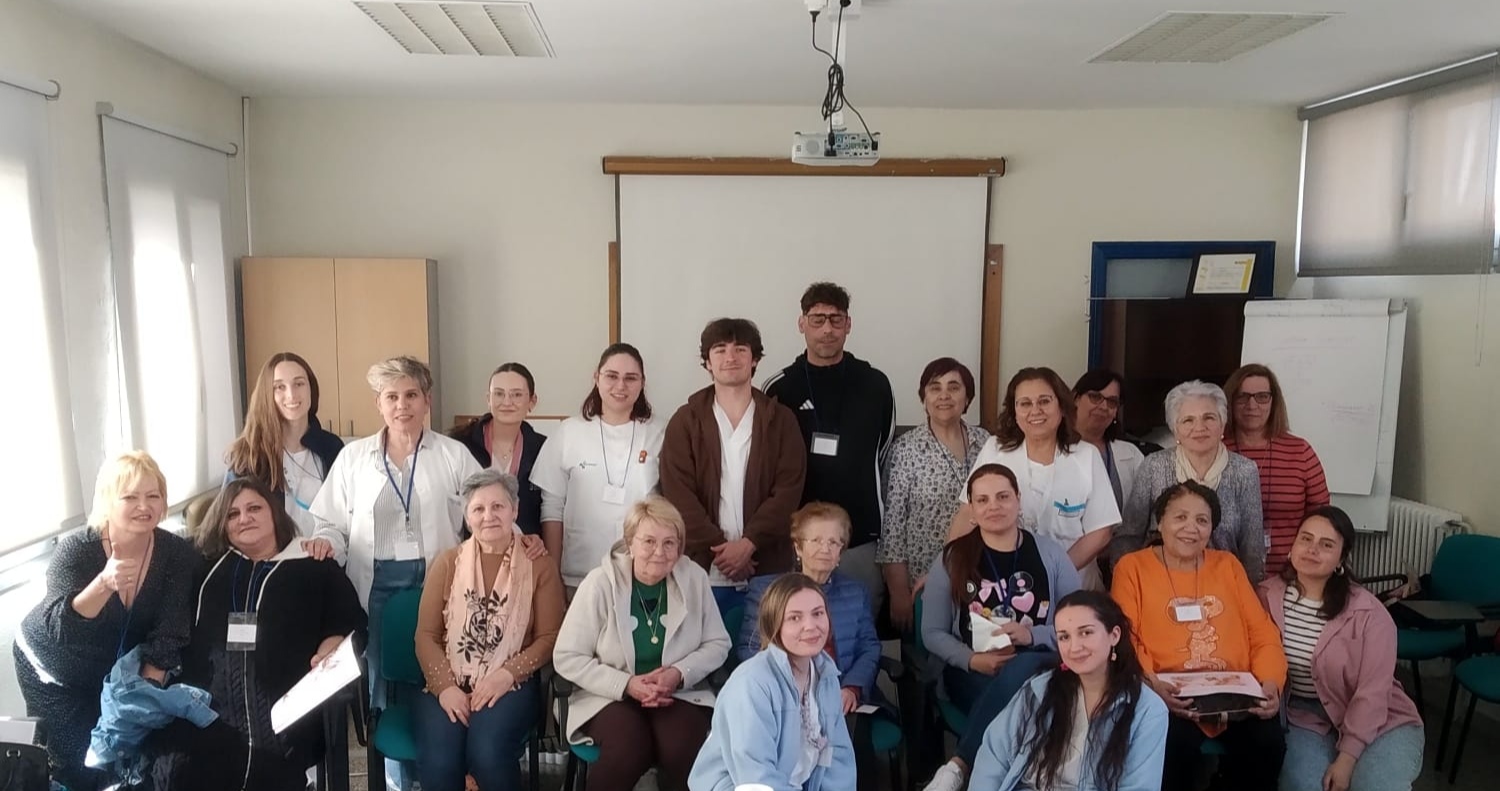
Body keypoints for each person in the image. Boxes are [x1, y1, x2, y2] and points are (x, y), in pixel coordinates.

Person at [304, 356, 483, 789]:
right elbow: (330, 522)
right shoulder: (353, 458)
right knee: (384, 683)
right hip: (378, 585)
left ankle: (440, 770)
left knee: (438, 675)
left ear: (427, 401)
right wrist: (328, 541)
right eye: (391, 397)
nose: (401, 405)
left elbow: (485, 511)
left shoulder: (453, 454)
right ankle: (400, 779)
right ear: (379, 404)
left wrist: (519, 538)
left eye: (410, 395)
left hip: (439, 580)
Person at [149, 477, 367, 790]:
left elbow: (350, 623)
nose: (244, 518)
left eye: (254, 508)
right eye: (232, 514)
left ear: (275, 514)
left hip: (284, 721)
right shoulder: (204, 572)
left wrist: (331, 645)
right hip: (207, 719)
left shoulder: (313, 567)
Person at [14, 452, 197, 791]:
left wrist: (142, 699)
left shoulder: (175, 553)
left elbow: (170, 629)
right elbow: (60, 630)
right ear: (108, 502)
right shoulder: (76, 551)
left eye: (153, 495)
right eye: (130, 496)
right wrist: (103, 584)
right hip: (53, 670)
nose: (144, 505)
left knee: (133, 757)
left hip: (110, 671)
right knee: (80, 765)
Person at [1110, 481, 1286, 791]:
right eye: (1180, 517)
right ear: (1160, 521)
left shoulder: (1228, 565)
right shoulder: (1132, 568)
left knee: (1267, 742)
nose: (1191, 528)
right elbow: (1127, 637)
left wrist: (1270, 682)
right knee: (1171, 745)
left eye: (1202, 520)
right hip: (1168, 694)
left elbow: (1262, 632)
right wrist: (1152, 684)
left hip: (1234, 693)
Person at [921, 464, 1083, 791]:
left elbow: (1081, 622)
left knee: (1027, 665)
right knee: (1026, 713)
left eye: (1002, 497)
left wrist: (1033, 635)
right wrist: (970, 659)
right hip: (974, 670)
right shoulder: (952, 558)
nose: (993, 506)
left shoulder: (1050, 554)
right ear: (972, 508)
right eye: (982, 500)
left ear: (1018, 500)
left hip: (1044, 668)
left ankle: (959, 766)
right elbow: (932, 632)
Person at [553, 495, 731, 791]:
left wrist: (678, 673)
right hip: (607, 696)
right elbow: (568, 655)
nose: (659, 552)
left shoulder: (695, 579)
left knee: (685, 748)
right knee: (627, 749)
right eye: (648, 541)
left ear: (680, 546)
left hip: (677, 693)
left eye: (669, 543)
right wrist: (628, 684)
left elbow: (717, 643)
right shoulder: (599, 583)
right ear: (630, 543)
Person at [413, 470, 564, 791]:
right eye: (478, 509)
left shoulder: (539, 564)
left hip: (511, 685)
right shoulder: (447, 563)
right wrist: (446, 687)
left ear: (515, 510)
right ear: (467, 517)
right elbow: (425, 636)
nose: (489, 516)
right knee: (440, 759)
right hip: (447, 681)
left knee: (488, 753)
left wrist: (507, 674)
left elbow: (550, 637)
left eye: (498, 507)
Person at [1259, 507, 1423, 791]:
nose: (1312, 550)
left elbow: (1373, 692)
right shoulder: (1264, 596)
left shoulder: (1369, 613)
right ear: (1292, 547)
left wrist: (1347, 758)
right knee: (1303, 784)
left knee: (1374, 785)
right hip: (1304, 716)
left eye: (1326, 545)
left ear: (1341, 560)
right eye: (1305, 539)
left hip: (1380, 718)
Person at [764, 282, 895, 614]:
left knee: (858, 626)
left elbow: (884, 455)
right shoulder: (780, 387)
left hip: (859, 537)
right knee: (798, 624)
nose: (827, 329)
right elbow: (767, 464)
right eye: (817, 319)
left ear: (848, 325)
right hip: (799, 540)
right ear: (801, 323)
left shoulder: (875, 384)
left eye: (836, 320)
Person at [660, 318, 807, 613]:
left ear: (755, 360)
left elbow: (789, 489)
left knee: (763, 653)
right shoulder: (686, 421)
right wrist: (721, 550)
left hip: (766, 568)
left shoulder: (781, 420)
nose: (730, 357)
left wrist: (749, 543)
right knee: (703, 657)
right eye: (720, 349)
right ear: (707, 363)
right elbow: (678, 492)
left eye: (741, 349)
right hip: (701, 568)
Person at [968, 591, 1168, 791]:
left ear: (1114, 635)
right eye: (1064, 637)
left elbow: (1139, 787)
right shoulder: (1040, 689)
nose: (1074, 647)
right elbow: (993, 755)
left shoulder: (1148, 710)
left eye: (1086, 633)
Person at [951, 367, 1121, 591]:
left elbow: (1101, 531)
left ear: (1061, 407)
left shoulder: (1086, 455)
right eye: (1025, 403)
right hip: (1002, 582)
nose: (1035, 411)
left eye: (1044, 401)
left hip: (1071, 586)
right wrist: (948, 571)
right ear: (1014, 411)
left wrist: (1051, 573)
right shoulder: (995, 449)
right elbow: (967, 513)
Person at [688, 573, 856, 791]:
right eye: (795, 618)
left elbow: (837, 759)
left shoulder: (827, 675)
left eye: (818, 613)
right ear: (774, 625)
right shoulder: (752, 684)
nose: (811, 626)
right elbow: (755, 780)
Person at [530, 343, 666, 591]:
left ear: (642, 382)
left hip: (642, 574)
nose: (621, 386)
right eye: (611, 376)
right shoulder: (569, 432)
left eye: (630, 378)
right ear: (596, 378)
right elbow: (552, 508)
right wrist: (553, 575)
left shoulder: (659, 433)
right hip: (578, 576)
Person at [1109, 380, 1267, 582]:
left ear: (1222, 424)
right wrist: (1128, 581)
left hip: (1224, 585)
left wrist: (1247, 592)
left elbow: (1252, 547)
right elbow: (1129, 536)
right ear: (1175, 429)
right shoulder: (1154, 466)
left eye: (1209, 418)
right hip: (1158, 583)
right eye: (1188, 420)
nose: (1199, 427)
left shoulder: (1244, 471)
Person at [878, 358, 992, 634]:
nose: (944, 395)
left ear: (968, 398)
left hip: (983, 577)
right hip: (924, 582)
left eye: (954, 387)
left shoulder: (986, 442)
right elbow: (891, 529)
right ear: (924, 397)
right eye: (934, 387)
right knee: (927, 666)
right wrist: (898, 593)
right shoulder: (905, 449)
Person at [737, 502, 882, 711]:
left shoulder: (856, 592)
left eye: (834, 542)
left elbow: (869, 647)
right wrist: (790, 686)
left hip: (842, 700)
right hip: (784, 700)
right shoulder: (765, 591)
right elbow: (750, 649)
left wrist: (852, 688)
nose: (825, 549)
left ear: (841, 552)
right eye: (816, 540)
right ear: (798, 547)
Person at [1224, 364, 1331, 577]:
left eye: (1262, 397)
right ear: (1230, 402)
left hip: (1290, 575)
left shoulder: (1300, 451)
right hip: (1227, 575)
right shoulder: (1215, 451)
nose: (1251, 405)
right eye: (1242, 397)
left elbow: (1322, 518)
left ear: (1274, 402)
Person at [224, 352, 345, 536]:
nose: (291, 394)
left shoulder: (332, 447)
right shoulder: (247, 456)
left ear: (311, 389)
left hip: (327, 557)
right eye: (279, 387)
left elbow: (346, 514)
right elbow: (231, 522)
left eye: (299, 384)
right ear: (267, 395)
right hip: (272, 561)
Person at [449, 362, 548, 534]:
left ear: (532, 401)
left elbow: (545, 511)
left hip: (524, 550)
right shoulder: (460, 444)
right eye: (499, 394)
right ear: (488, 399)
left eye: (516, 395)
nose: (507, 402)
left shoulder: (543, 448)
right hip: (471, 549)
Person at [1071, 368, 1145, 513]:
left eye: (1112, 401)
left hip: (1119, 536)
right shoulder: (1051, 448)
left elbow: (1144, 509)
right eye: (1095, 397)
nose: (1104, 406)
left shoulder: (1131, 454)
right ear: (1076, 398)